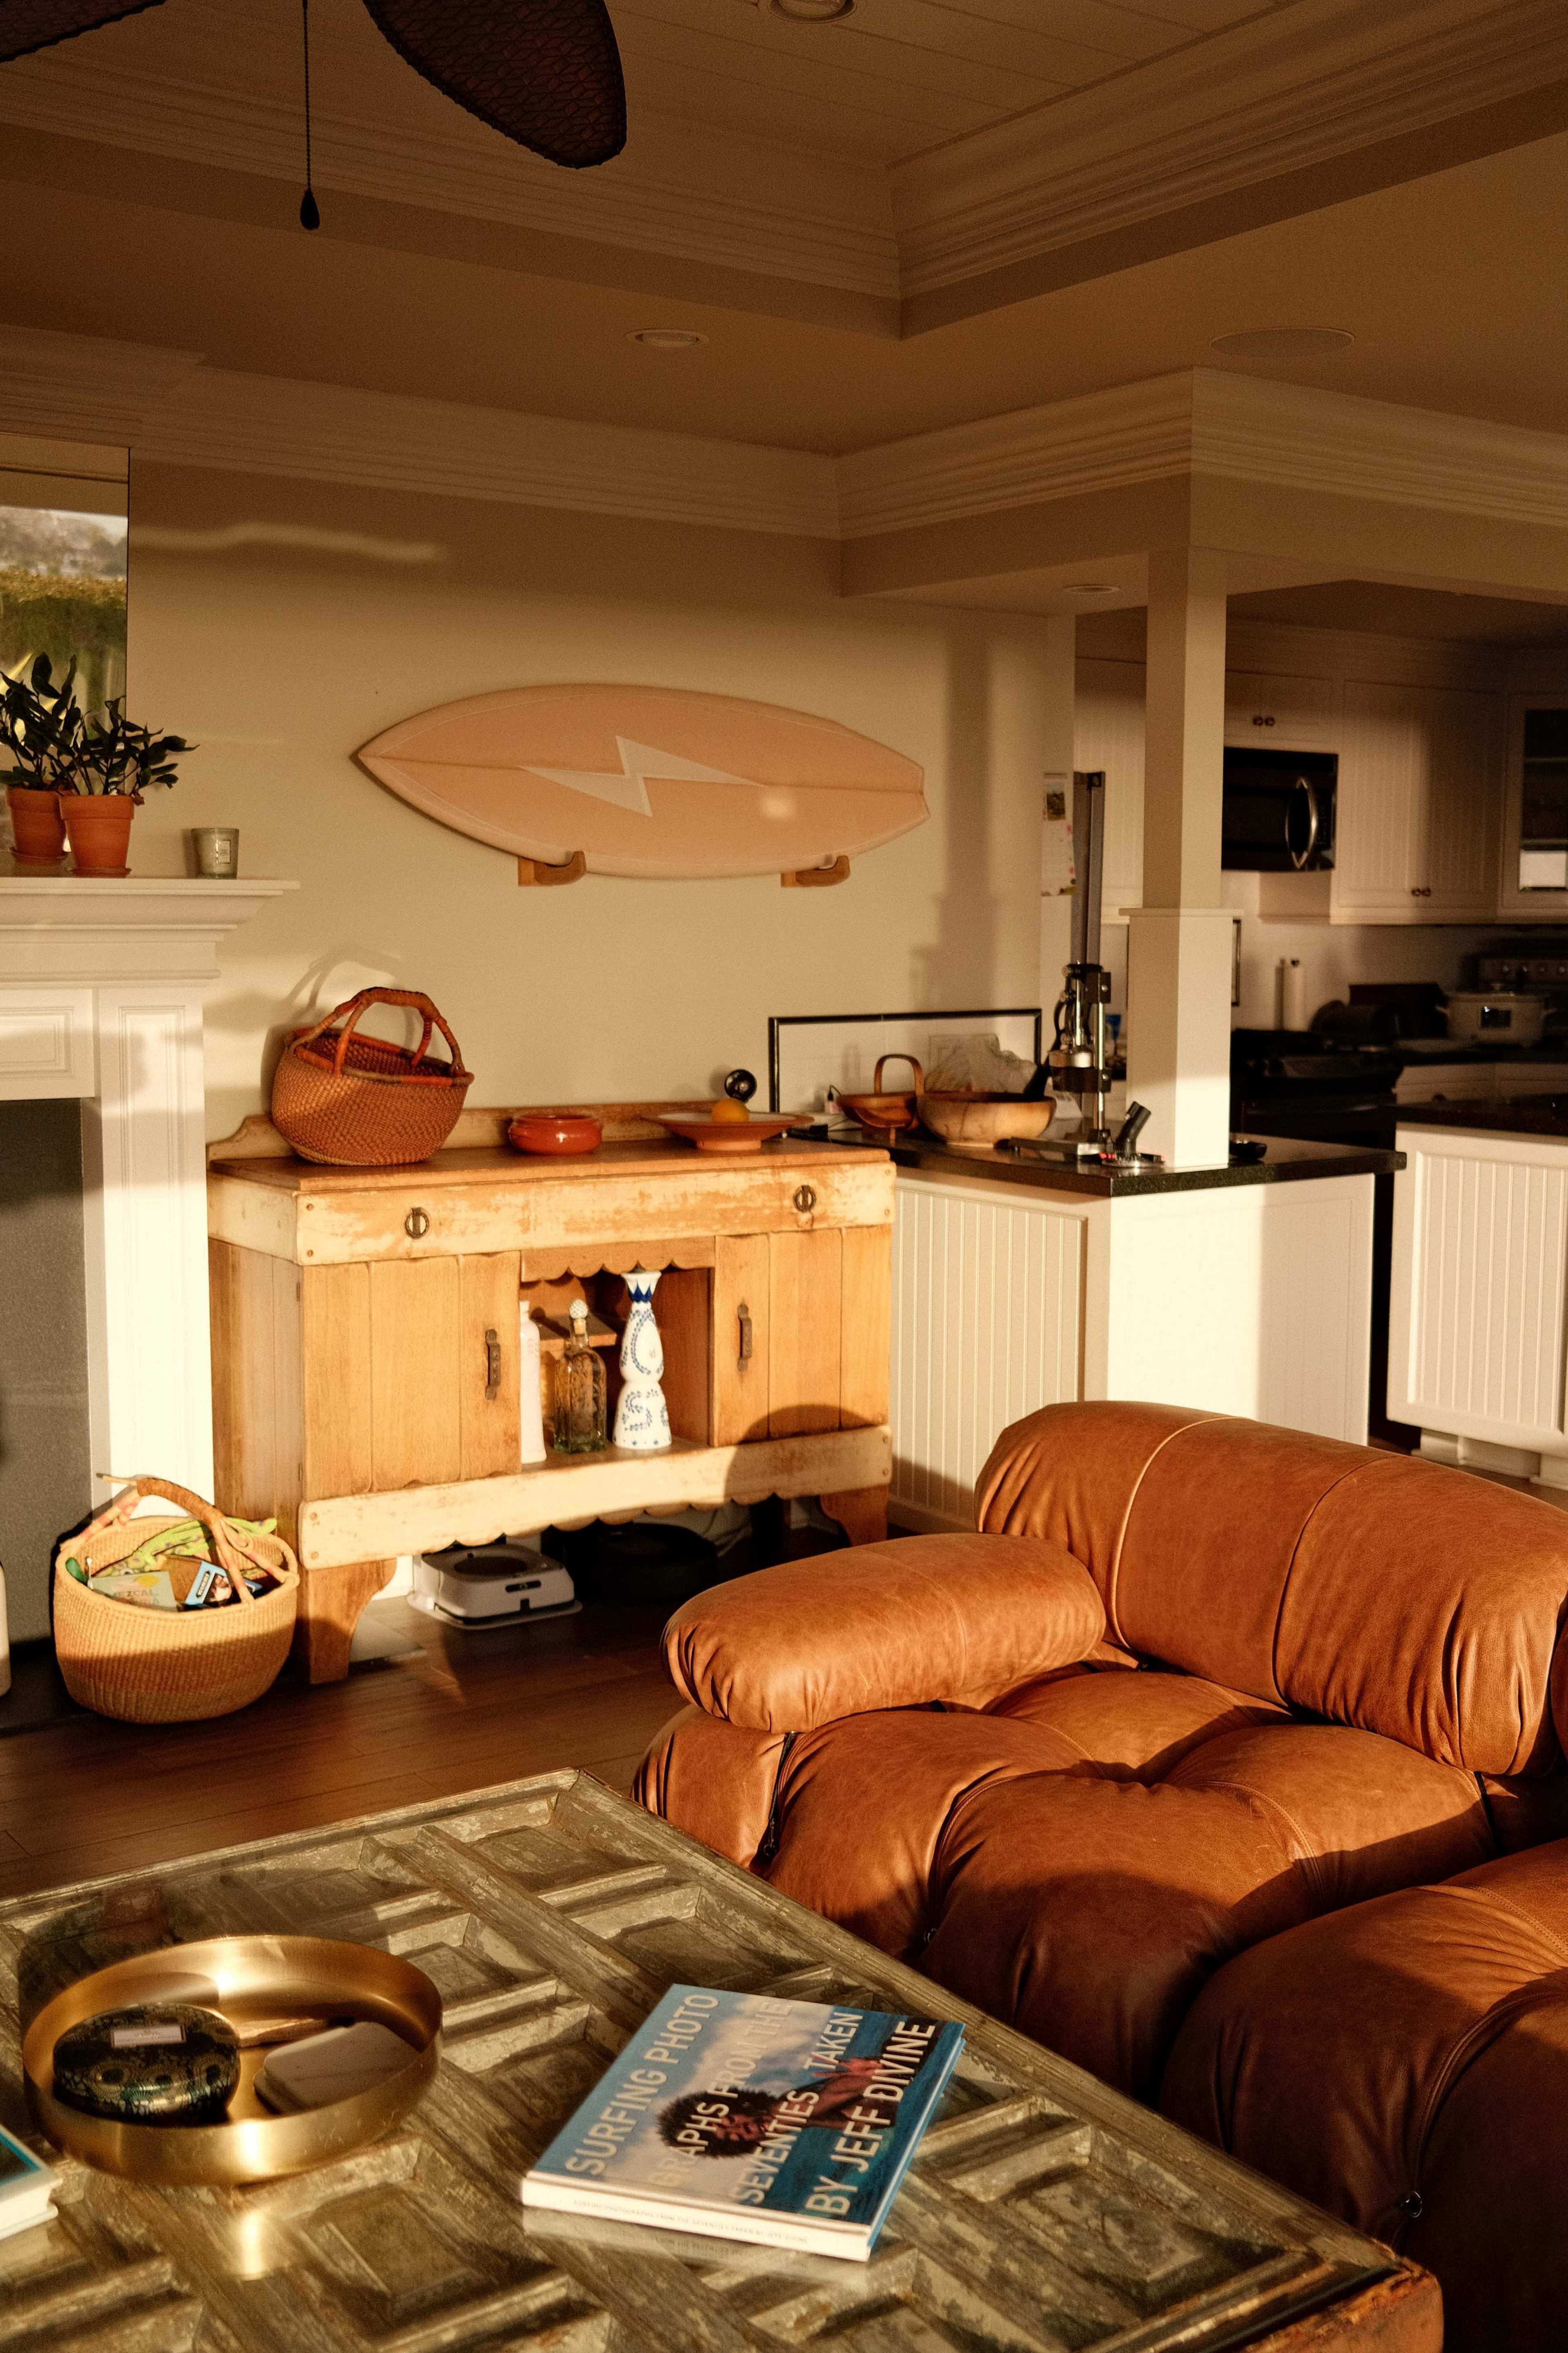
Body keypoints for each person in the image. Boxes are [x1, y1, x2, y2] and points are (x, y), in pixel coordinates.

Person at [657, 2054, 886, 2156]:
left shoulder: (787, 2111)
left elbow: (870, 2084)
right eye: (728, 2137)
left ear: (743, 2106)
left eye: (730, 2121)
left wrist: (876, 2068)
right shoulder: (792, 2117)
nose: (739, 2130)